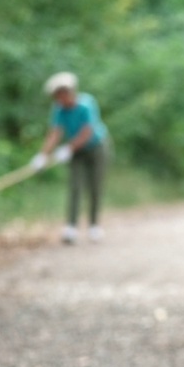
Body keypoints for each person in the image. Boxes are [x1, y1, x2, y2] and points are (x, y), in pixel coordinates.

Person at [30, 72, 110, 244]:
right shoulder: (59, 110)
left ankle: (94, 225)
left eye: (62, 94)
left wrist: (68, 148)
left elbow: (88, 131)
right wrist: (43, 155)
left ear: (71, 91)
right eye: (56, 96)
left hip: (96, 148)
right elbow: (55, 133)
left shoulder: (87, 104)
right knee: (75, 186)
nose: (60, 98)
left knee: (95, 186)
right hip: (76, 151)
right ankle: (71, 227)